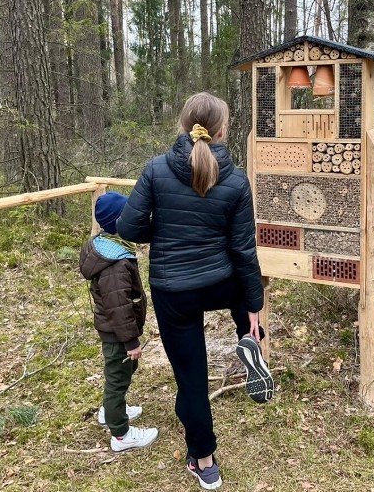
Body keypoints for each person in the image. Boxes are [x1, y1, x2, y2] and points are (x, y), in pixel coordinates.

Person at [118, 92, 273, 491]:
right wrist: (254, 305)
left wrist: (165, 232)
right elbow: (243, 250)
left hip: (174, 291)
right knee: (242, 288)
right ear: (222, 130)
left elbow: (128, 230)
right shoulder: (237, 180)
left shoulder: (155, 170)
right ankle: (249, 333)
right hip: (219, 283)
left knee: (192, 378)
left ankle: (204, 462)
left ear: (184, 125)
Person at [80, 191, 158, 452]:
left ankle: (110, 410)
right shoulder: (114, 264)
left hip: (114, 332)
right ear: (118, 223)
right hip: (118, 334)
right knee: (118, 378)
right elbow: (119, 307)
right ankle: (121, 434)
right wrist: (131, 341)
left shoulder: (108, 247)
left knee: (120, 373)